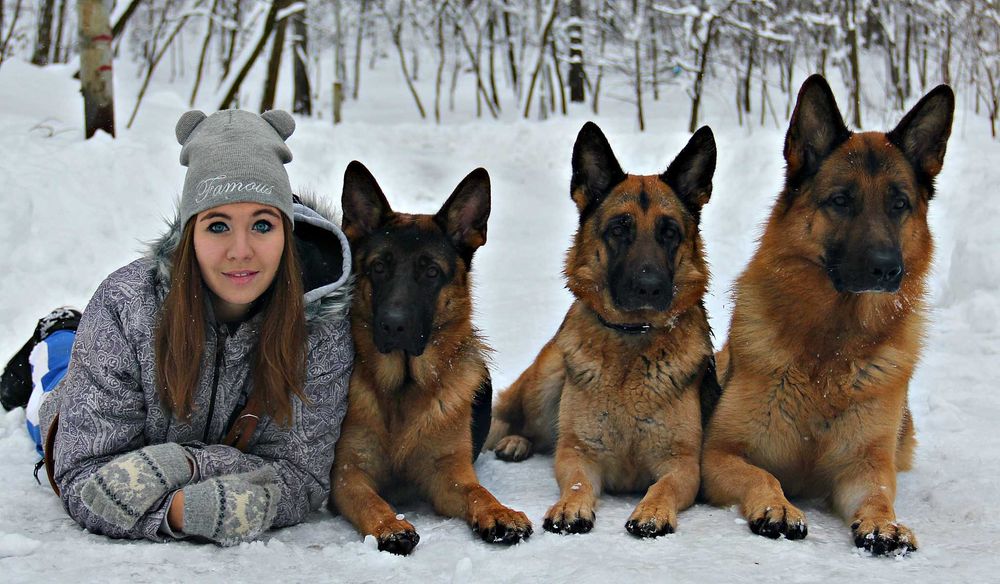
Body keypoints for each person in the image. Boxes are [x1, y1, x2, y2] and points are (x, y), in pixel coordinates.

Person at [32, 109, 353, 545]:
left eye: (262, 225)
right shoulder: (125, 305)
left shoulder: (321, 325)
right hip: (68, 400)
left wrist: (187, 465)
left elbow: (302, 476)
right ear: (190, 234)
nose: (241, 251)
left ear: (287, 231)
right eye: (218, 226)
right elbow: (85, 476)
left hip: (163, 454)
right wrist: (180, 513)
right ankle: (56, 335)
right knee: (50, 380)